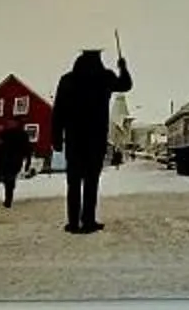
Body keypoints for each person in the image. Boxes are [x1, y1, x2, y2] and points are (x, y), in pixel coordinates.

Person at [51, 46, 132, 233]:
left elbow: (58, 111)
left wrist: (56, 137)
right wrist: (123, 67)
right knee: (91, 182)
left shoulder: (68, 80)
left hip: (74, 139)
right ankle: (88, 221)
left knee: (73, 183)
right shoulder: (105, 77)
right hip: (96, 138)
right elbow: (125, 85)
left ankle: (73, 223)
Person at [0, 118, 33, 208]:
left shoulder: (22, 134)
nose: (9, 124)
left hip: (15, 159)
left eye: (11, 122)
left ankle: (8, 199)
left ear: (16, 123)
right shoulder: (4, 133)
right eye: (9, 122)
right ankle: (8, 195)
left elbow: (27, 148)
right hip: (4, 160)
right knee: (7, 179)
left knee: (9, 178)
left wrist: (28, 161)